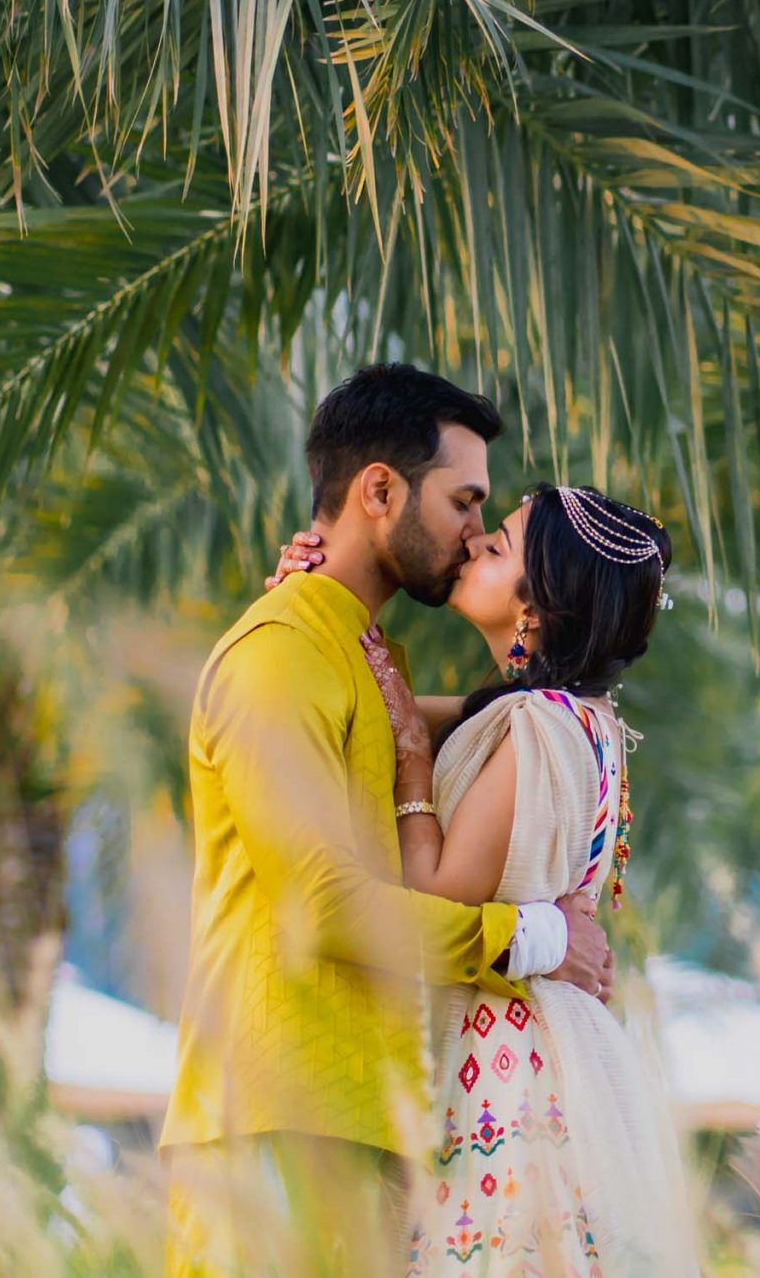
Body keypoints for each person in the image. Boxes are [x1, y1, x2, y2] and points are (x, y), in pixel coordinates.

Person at [160, 365, 615, 1278]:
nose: (475, 534)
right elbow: (324, 907)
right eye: (464, 502)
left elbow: (506, 715)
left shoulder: (362, 662)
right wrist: (534, 937)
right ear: (379, 490)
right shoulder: (279, 656)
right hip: (272, 1126)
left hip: (365, 1125)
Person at [270, 482, 700, 1276]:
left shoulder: (535, 727)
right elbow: (366, 705)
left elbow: (434, 891)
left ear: (535, 609)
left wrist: (410, 766)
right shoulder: (567, 716)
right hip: (539, 1041)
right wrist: (313, 597)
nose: (472, 545)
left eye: (497, 547)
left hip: (499, 1064)